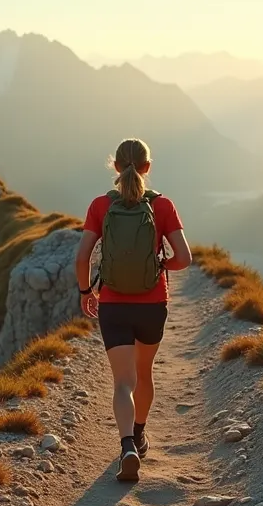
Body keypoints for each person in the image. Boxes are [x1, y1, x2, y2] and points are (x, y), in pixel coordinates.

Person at [75, 138, 192, 482]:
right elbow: (184, 258)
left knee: (123, 381)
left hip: (113, 305)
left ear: (115, 167)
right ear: (147, 167)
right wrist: (159, 267)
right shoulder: (163, 206)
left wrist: (86, 291)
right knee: (144, 372)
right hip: (153, 304)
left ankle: (126, 444)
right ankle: (140, 434)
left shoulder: (100, 206)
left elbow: (82, 257)